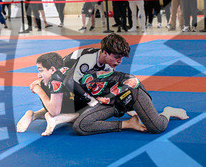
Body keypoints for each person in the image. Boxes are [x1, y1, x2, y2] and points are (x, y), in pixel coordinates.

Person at [60, 34, 188, 136]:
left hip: (132, 91)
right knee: (81, 126)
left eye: (121, 58)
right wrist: (91, 101)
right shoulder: (86, 60)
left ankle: (168, 112)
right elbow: (69, 82)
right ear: (104, 52)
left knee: (157, 127)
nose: (120, 61)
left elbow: (114, 83)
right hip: (111, 97)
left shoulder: (106, 65)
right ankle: (128, 124)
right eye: (116, 57)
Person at [16, 52, 89, 136]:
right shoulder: (59, 73)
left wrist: (38, 90)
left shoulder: (59, 76)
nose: (38, 75)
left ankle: (34, 115)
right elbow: (54, 111)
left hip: (69, 100)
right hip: (71, 102)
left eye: (41, 71)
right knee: (87, 113)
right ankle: (57, 119)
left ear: (53, 70)